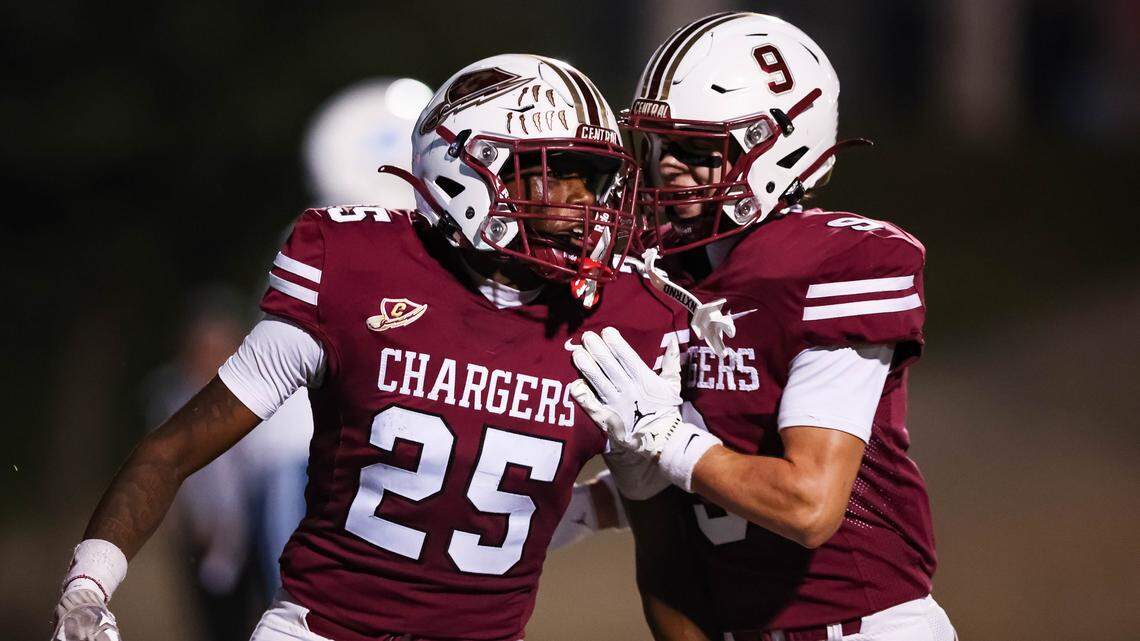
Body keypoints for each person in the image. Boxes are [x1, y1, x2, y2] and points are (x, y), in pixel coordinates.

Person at [51, 53, 685, 641]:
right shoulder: (358, 274)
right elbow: (172, 449)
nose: (583, 203)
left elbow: (654, 528)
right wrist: (88, 587)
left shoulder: (623, 321)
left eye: (594, 178)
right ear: (470, 174)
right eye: (556, 173)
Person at [567, 13, 956, 641]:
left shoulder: (833, 264)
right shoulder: (664, 272)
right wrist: (595, 505)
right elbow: (709, 470)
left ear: (779, 148)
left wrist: (664, 441)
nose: (666, 168)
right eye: (659, 144)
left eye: (696, 149)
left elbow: (806, 504)